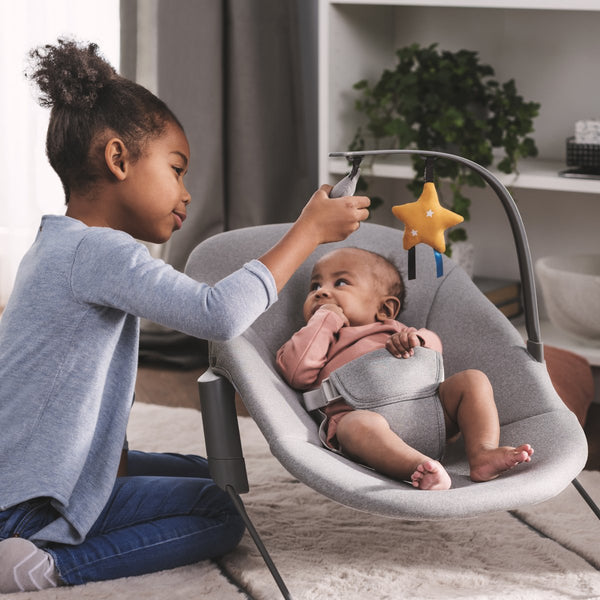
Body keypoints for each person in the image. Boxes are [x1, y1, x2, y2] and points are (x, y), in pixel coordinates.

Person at [0, 39, 370, 593]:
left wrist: (113, 456)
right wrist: (308, 232)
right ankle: (43, 566)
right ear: (119, 158)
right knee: (220, 509)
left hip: (21, 477)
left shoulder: (56, 246)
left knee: (212, 473)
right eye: (176, 170)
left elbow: (67, 391)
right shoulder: (103, 252)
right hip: (33, 501)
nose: (187, 194)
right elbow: (217, 313)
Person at [276, 247, 533, 491]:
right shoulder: (317, 339)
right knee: (354, 425)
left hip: (428, 413)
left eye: (340, 283)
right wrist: (325, 319)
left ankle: (482, 453)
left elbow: (433, 356)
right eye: (315, 286)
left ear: (385, 309)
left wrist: (418, 341)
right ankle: (419, 468)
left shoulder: (394, 330)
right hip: (366, 428)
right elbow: (297, 371)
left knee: (472, 380)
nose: (321, 293)